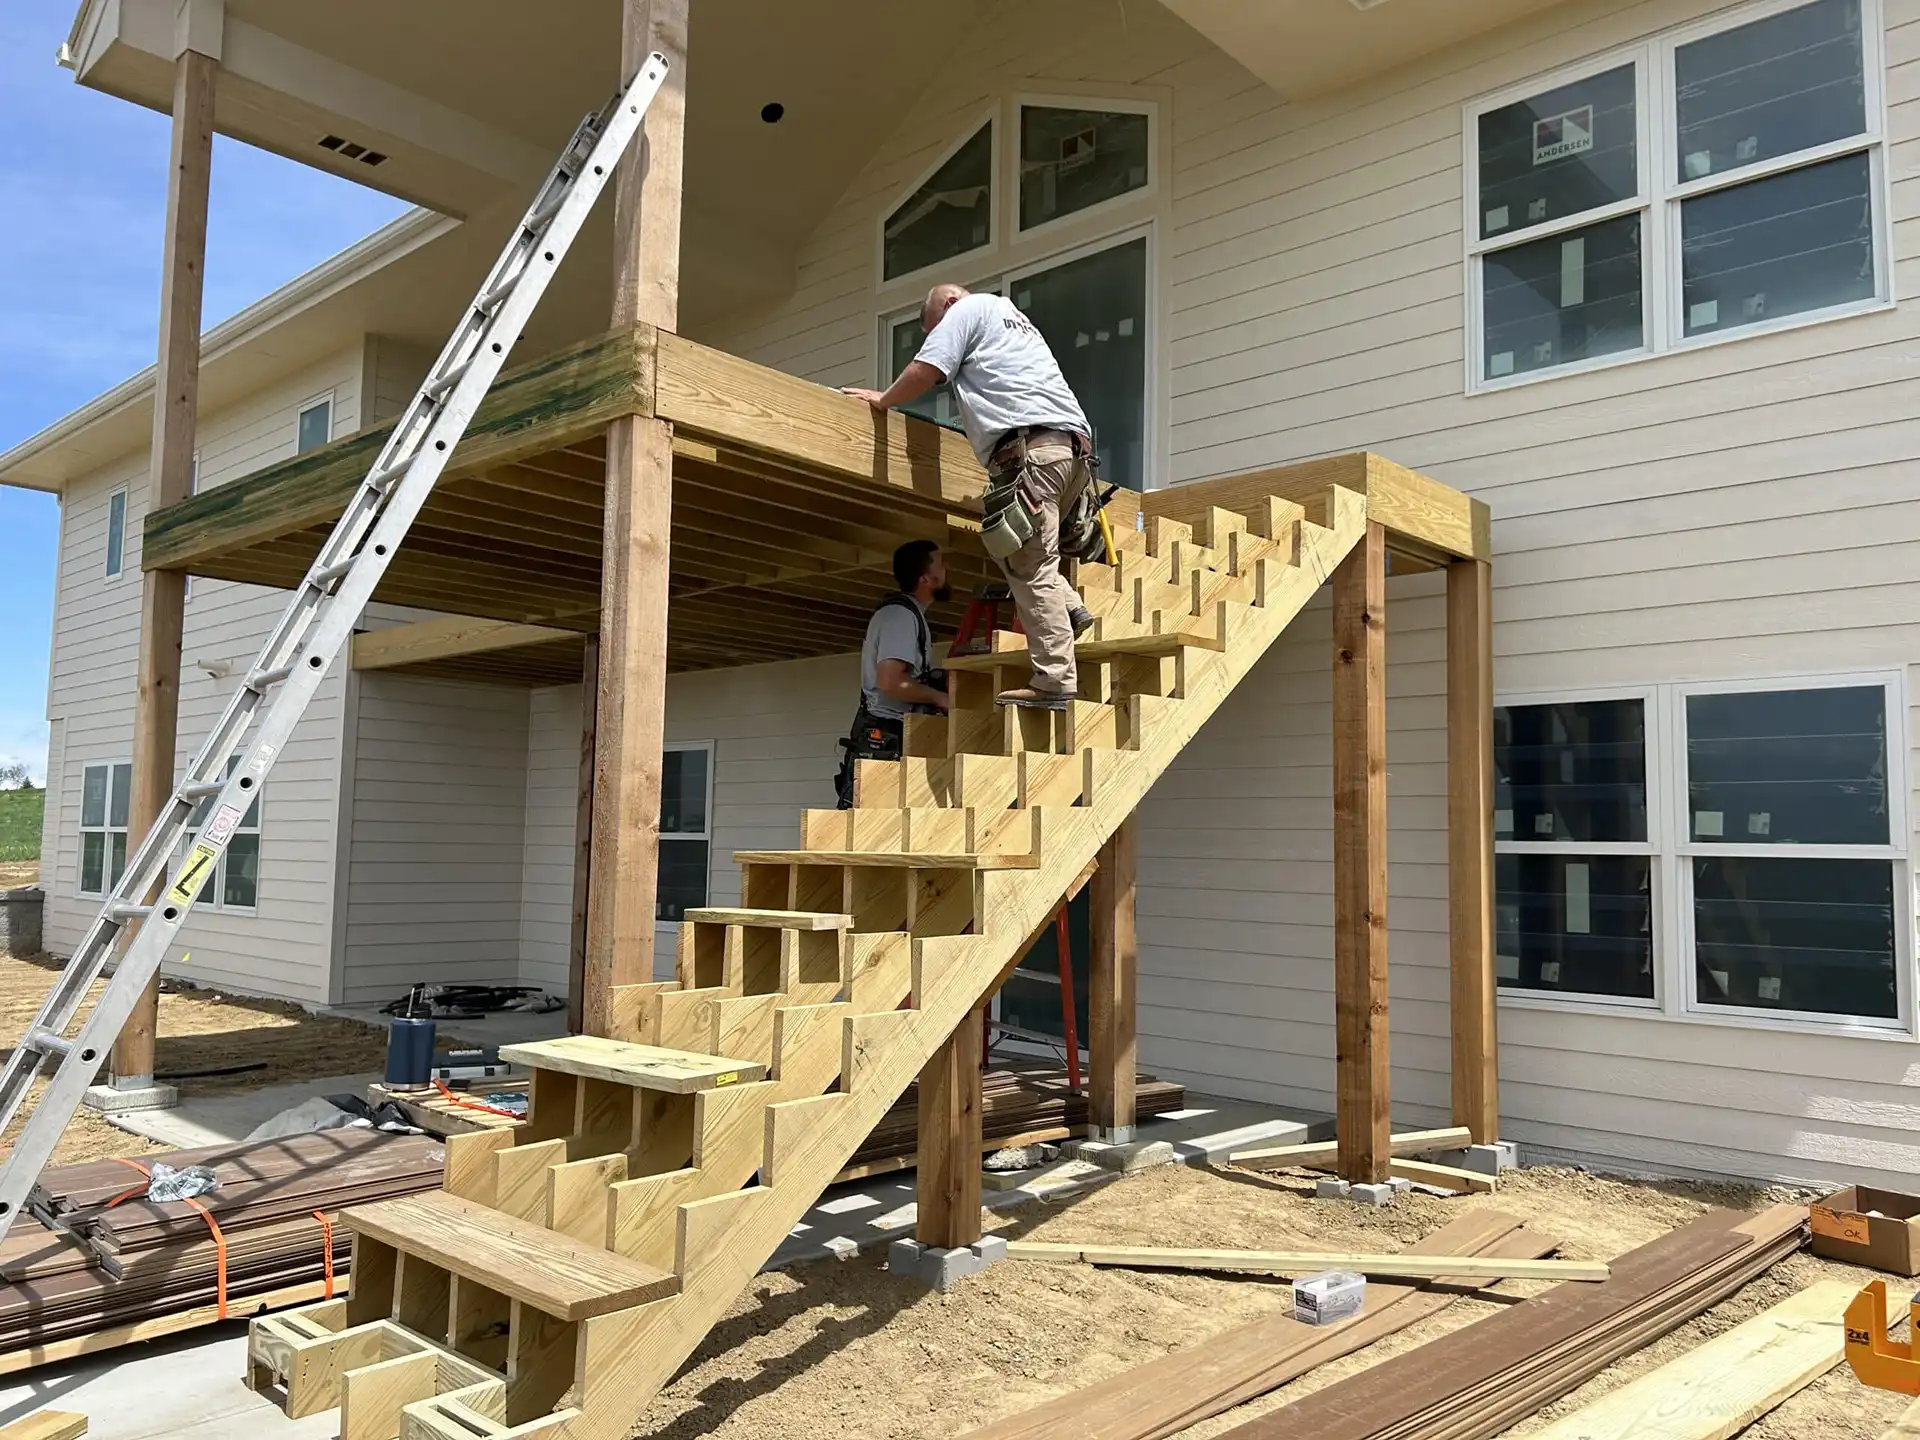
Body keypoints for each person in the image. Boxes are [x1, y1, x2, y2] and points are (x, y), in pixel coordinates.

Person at [846, 283, 1096, 711]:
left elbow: (926, 370)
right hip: (1071, 453)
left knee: (1029, 563)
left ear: (946, 306)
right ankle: (1068, 608)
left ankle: (1054, 681)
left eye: (933, 330)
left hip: (1030, 452)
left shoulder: (966, 310)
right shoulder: (1014, 320)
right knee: (1016, 547)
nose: (936, 336)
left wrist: (883, 399)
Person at [834, 539, 953, 809]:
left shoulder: (908, 614)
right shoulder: (899, 617)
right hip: (885, 738)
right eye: (940, 563)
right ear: (926, 578)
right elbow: (891, 681)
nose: (947, 569)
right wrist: (938, 697)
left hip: (891, 734)